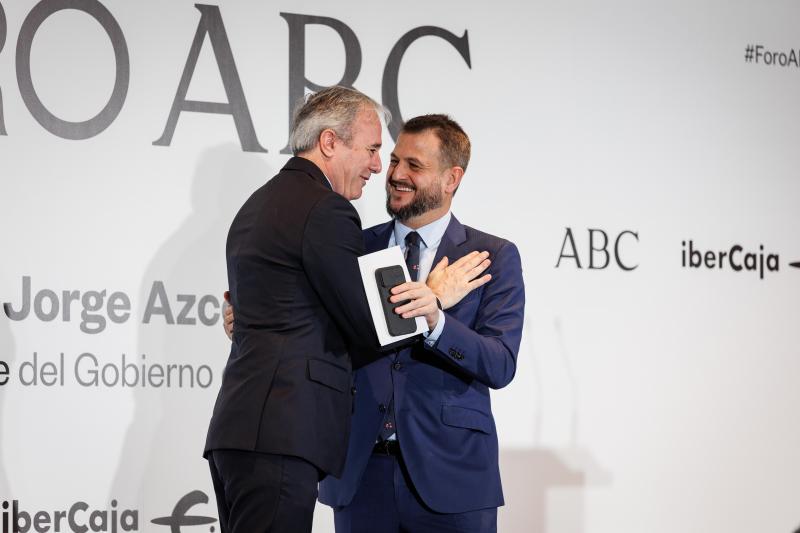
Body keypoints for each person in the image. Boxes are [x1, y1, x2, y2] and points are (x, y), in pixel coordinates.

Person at [224, 114, 523, 532]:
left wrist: (435, 319)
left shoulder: (491, 255)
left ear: (452, 178)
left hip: (453, 477)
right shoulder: (352, 244)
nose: (395, 174)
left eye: (413, 166)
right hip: (361, 476)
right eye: (394, 159)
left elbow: (500, 362)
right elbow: (316, 329)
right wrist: (257, 316)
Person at [203, 87, 445, 533]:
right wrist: (432, 296)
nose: (378, 165)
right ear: (330, 142)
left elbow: (274, 312)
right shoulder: (325, 210)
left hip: (240, 430)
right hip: (281, 433)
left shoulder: (255, 206)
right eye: (372, 150)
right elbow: (370, 329)